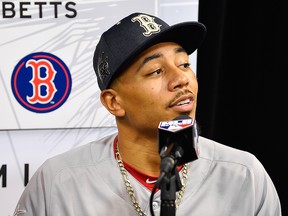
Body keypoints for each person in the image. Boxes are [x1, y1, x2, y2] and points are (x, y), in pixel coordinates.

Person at [13, 12, 281, 216]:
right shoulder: (58, 182)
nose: (181, 79)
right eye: (156, 71)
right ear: (113, 102)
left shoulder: (244, 175)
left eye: (184, 64)